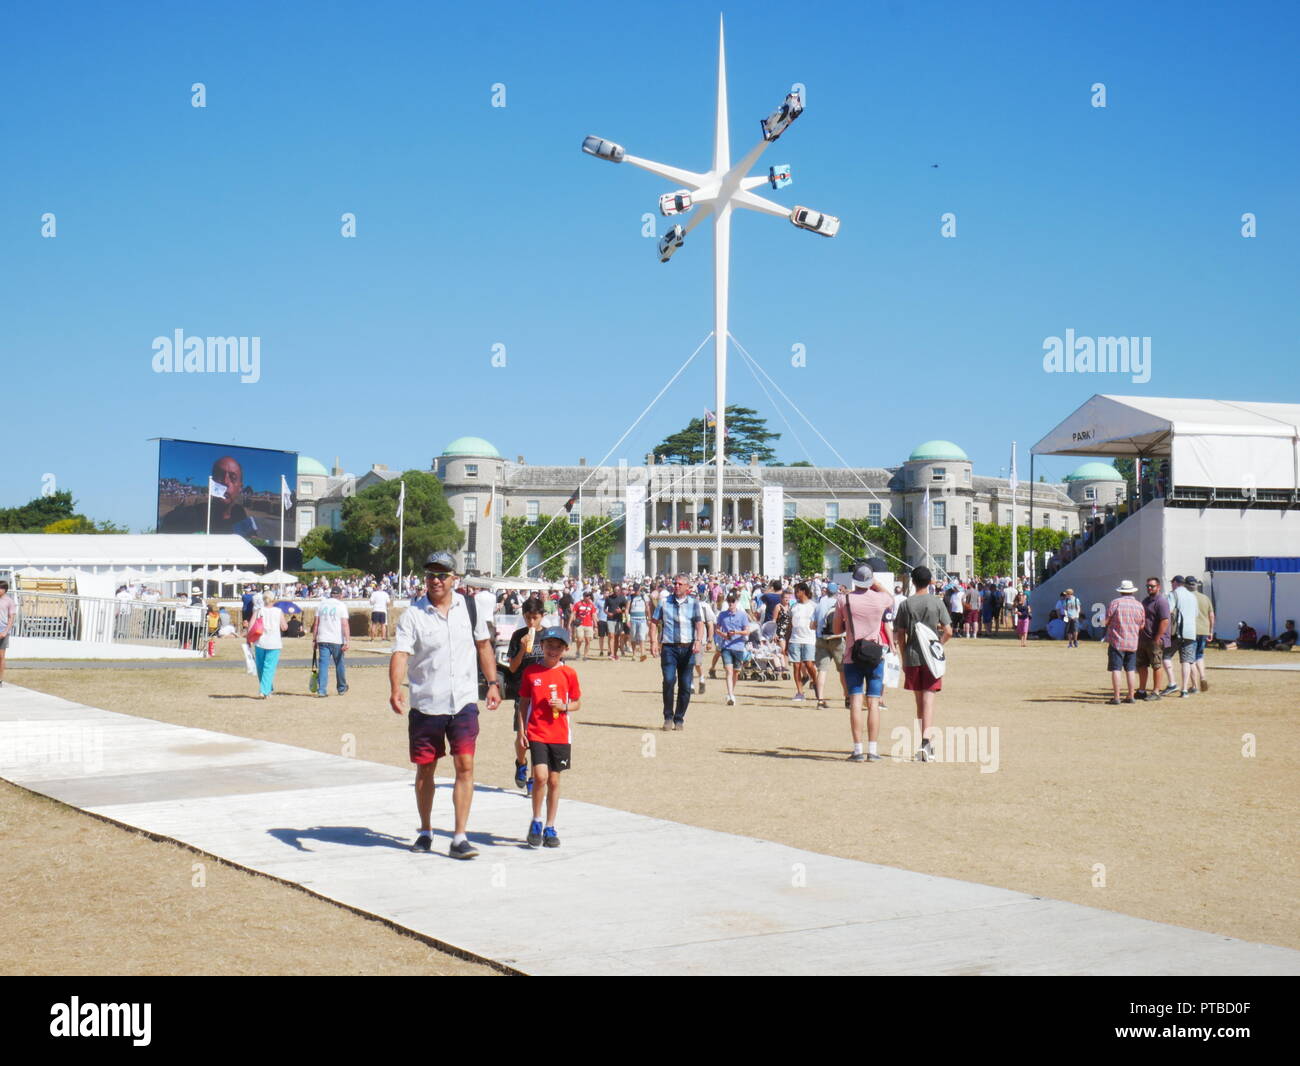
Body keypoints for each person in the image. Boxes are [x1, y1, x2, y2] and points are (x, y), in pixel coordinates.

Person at [390, 551, 500, 859]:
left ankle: (459, 836)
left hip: (463, 701)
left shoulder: (471, 609)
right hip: (427, 702)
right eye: (430, 575)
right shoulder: (414, 614)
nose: (435, 580)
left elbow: (483, 646)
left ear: (455, 579)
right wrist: (395, 688)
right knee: (426, 769)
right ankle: (425, 830)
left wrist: (493, 684)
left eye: (441, 575)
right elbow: (401, 653)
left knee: (465, 765)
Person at [518, 626, 581, 849]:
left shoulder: (569, 674)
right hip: (537, 731)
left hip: (561, 734)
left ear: (565, 649)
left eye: (558, 647)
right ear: (541, 646)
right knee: (541, 776)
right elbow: (523, 703)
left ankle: (550, 826)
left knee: (554, 781)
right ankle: (536, 821)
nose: (553, 650)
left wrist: (564, 706)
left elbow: (577, 702)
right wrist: (521, 731)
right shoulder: (531, 672)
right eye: (549, 646)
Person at [834, 565, 895, 761]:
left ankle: (858, 749)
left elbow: (836, 629)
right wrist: (876, 583)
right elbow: (891, 598)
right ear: (870, 581)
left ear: (854, 580)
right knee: (874, 703)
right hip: (875, 654)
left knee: (856, 701)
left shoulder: (844, 600)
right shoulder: (880, 599)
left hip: (853, 654)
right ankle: (873, 749)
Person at [892, 566, 952, 762]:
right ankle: (926, 740)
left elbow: (900, 634)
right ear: (930, 581)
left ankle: (924, 739)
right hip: (931, 657)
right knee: (929, 697)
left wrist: (903, 654)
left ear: (913, 581)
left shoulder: (906, 604)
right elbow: (948, 631)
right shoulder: (936, 603)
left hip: (912, 654)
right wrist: (938, 645)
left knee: (919, 701)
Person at [650, 574, 704, 731]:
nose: (676, 586)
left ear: (687, 587)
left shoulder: (694, 603)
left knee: (686, 685)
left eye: (680, 584)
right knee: (668, 680)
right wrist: (654, 641)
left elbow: (699, 624)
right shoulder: (664, 602)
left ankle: (679, 718)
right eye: (675, 583)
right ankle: (668, 716)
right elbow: (654, 622)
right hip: (669, 647)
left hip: (688, 648)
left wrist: (698, 640)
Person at [506, 597, 547, 792]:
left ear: (542, 616)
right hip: (522, 691)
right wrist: (522, 648)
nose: (531, 622)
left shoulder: (549, 636)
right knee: (522, 735)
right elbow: (513, 668)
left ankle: (533, 778)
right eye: (528, 618)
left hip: (543, 693)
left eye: (535, 618)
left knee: (538, 738)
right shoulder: (517, 635)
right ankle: (521, 762)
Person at [1104, 580, 1145, 704]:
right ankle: (1131, 695)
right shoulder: (1139, 605)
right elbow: (1142, 625)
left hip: (1117, 641)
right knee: (1130, 669)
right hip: (1132, 642)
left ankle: (1116, 697)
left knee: (1116, 669)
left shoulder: (1115, 603)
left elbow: (1106, 621)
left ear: (1121, 591)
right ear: (1132, 591)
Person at [1137, 578, 1171, 700]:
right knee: (1141, 665)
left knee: (1156, 665)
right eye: (1148, 586)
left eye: (1152, 586)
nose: (1149, 588)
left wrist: (1158, 637)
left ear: (1158, 587)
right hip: (1143, 639)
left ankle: (1156, 692)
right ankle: (1141, 690)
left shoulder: (1161, 602)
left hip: (1155, 639)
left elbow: (1165, 620)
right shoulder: (1145, 601)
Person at [813, 581, 845, 709]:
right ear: (836, 591)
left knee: (822, 670)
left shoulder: (819, 604)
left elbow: (813, 625)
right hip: (837, 639)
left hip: (821, 639)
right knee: (842, 670)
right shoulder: (840, 602)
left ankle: (820, 699)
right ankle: (847, 697)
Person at [313, 588, 351, 697]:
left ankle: (322, 690)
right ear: (340, 595)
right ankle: (341, 687)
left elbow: (316, 623)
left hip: (323, 638)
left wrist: (314, 638)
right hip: (336, 639)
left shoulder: (321, 604)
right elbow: (345, 624)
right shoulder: (341, 606)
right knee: (339, 663)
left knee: (323, 665)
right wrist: (347, 640)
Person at [1168, 575, 1200, 697]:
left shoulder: (1173, 594)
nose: (1171, 584)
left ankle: (1172, 683)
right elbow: (1196, 614)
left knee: (1166, 656)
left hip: (1177, 631)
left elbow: (1169, 610)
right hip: (1191, 631)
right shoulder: (1192, 596)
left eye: (1172, 582)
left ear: (1175, 583)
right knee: (1187, 661)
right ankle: (1185, 689)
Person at [715, 591, 749, 706]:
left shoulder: (742, 615)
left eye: (732, 601)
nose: (730, 603)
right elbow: (717, 629)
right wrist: (723, 634)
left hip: (739, 646)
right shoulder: (722, 615)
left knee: (736, 672)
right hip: (726, 646)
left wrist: (737, 632)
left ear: (736, 602)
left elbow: (747, 631)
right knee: (728, 671)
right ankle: (730, 694)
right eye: (728, 601)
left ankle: (731, 692)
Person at [250, 594, 287, 698]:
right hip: (274, 643)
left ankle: (267, 688)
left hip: (260, 642)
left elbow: (251, 625)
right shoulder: (278, 611)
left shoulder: (258, 611)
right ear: (274, 600)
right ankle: (264, 690)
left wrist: (248, 639)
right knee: (269, 667)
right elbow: (284, 627)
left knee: (261, 667)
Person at [787, 582, 818, 703]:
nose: (795, 594)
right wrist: (787, 638)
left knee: (809, 664)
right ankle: (800, 691)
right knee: (796, 666)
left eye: (797, 591)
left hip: (809, 638)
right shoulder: (794, 606)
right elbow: (790, 625)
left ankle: (815, 682)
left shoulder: (813, 606)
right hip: (795, 638)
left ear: (803, 591)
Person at [1186, 577, 1215, 691]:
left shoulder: (1187, 598)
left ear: (1186, 586)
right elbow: (1211, 616)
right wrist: (1211, 631)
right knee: (1199, 655)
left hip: (1191, 631)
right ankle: (1202, 677)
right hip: (1204, 630)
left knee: (1190, 659)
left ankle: (1194, 686)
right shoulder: (1205, 598)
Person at [571, 589, 596, 660]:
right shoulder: (578, 604)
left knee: (588, 640)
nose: (588, 597)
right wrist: (572, 621)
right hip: (580, 624)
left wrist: (596, 625)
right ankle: (578, 650)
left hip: (589, 624)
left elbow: (593, 615)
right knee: (580, 639)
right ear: (583, 596)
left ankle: (585, 655)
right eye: (586, 596)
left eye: (589, 596)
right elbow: (574, 613)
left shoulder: (591, 605)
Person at [605, 584, 628, 661]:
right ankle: (611, 654)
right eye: (615, 590)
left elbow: (625, 608)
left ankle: (615, 654)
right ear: (613, 590)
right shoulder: (609, 598)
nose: (616, 591)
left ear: (620, 590)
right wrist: (608, 613)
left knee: (617, 638)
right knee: (611, 636)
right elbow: (605, 609)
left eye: (618, 590)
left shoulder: (622, 598)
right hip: (610, 619)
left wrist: (621, 611)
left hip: (619, 620)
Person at [0, 579, 16, 686]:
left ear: (5, 590)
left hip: (2, 629)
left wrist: (5, 631)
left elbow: (11, 618)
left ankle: (0, 679)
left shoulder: (9, 601)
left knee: (1, 656)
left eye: (0, 588)